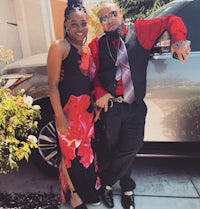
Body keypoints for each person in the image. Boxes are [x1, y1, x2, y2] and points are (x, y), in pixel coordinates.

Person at [89, 2, 191, 209]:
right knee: (111, 149)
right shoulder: (96, 44)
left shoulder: (141, 30)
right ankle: (127, 188)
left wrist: (178, 39)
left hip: (135, 105)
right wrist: (100, 93)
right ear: (100, 23)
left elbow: (172, 20)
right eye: (104, 18)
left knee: (132, 146)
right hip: (112, 107)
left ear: (121, 13)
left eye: (112, 14)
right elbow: (94, 77)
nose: (109, 20)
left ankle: (106, 183)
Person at [47, 1, 100, 209]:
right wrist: (59, 114)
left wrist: (95, 105)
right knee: (69, 153)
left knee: (84, 153)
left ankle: (88, 189)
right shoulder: (60, 46)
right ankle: (75, 195)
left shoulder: (87, 48)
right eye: (74, 24)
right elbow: (51, 84)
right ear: (66, 25)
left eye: (83, 23)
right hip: (68, 112)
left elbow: (90, 82)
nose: (80, 28)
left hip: (86, 114)